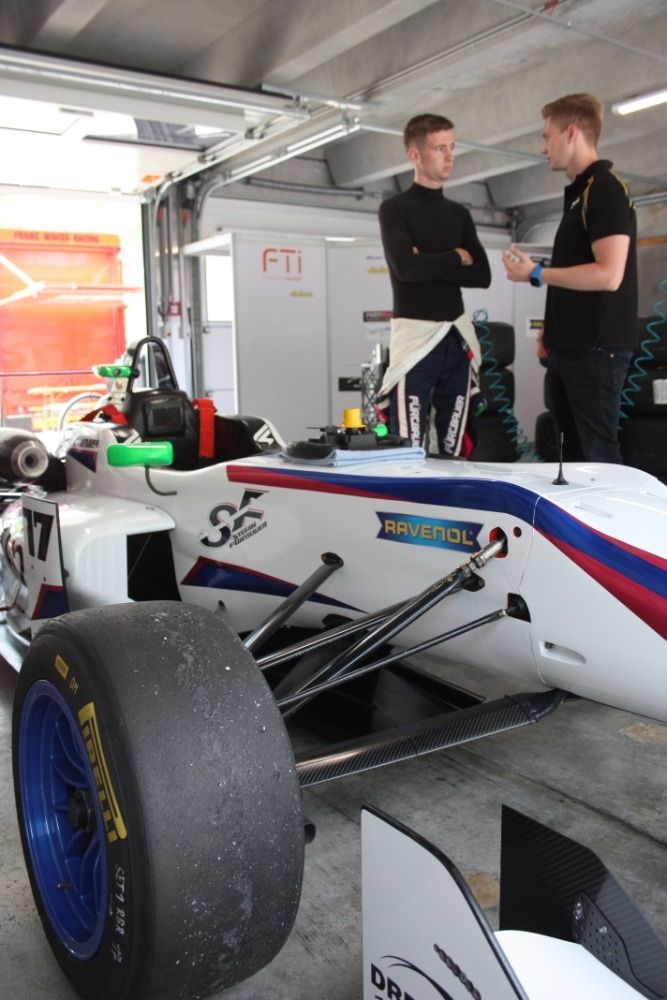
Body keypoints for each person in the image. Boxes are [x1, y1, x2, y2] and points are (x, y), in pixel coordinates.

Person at [503, 93, 637, 463]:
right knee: (571, 458)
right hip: (568, 348)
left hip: (596, 351)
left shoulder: (605, 189)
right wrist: (552, 329)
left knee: (598, 457)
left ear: (572, 133)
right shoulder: (580, 195)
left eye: (547, 137)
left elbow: (609, 275)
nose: (543, 147)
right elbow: (575, 274)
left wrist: (536, 273)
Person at [378, 113, 491, 456]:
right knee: (407, 447)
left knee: (455, 448)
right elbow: (407, 269)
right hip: (414, 339)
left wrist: (428, 260)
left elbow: (482, 275)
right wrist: (456, 256)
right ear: (415, 154)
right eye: (440, 148)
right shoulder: (395, 209)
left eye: (452, 147)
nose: (450, 155)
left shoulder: (459, 214)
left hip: (456, 338)